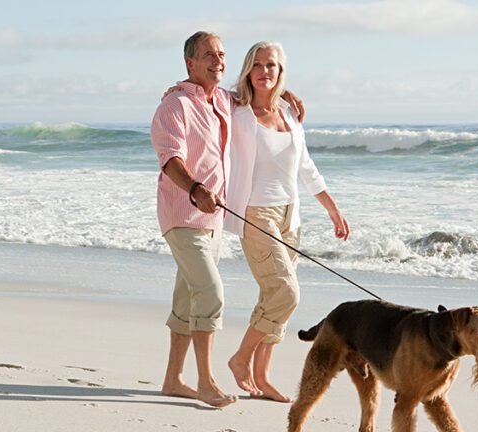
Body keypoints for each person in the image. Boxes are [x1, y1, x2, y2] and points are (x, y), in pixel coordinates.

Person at [225, 42, 350, 403]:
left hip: (289, 214)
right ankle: (240, 358)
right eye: (258, 65)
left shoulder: (290, 114)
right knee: (287, 293)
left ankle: (262, 378)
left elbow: (305, 166)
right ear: (248, 69)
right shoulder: (237, 111)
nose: (265, 71)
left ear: (282, 72)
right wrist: (177, 88)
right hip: (255, 211)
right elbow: (206, 93)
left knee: (272, 296)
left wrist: (331, 207)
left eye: (273, 66)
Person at [150, 31, 237, 408]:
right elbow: (170, 159)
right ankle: (206, 381)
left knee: (187, 300)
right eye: (208, 55)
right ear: (190, 62)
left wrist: (285, 94)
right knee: (211, 294)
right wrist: (196, 189)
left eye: (221, 54)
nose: (218, 60)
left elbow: (255, 97)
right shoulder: (175, 105)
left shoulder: (222, 100)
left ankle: (172, 380)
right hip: (183, 214)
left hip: (212, 222)